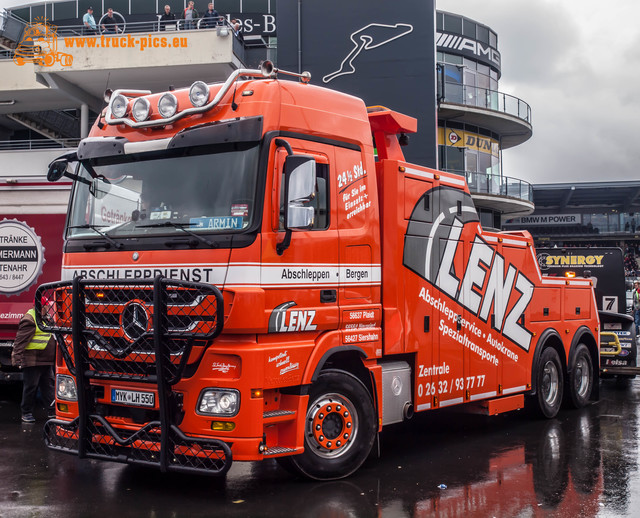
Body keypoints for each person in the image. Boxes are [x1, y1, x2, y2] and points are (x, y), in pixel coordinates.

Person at [11, 304, 55, 423]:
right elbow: (20, 341)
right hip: (32, 361)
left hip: (45, 360)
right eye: (47, 306)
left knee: (48, 386)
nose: (49, 308)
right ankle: (26, 412)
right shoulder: (30, 319)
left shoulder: (45, 317)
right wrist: (17, 358)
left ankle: (52, 411)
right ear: (42, 306)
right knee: (31, 387)